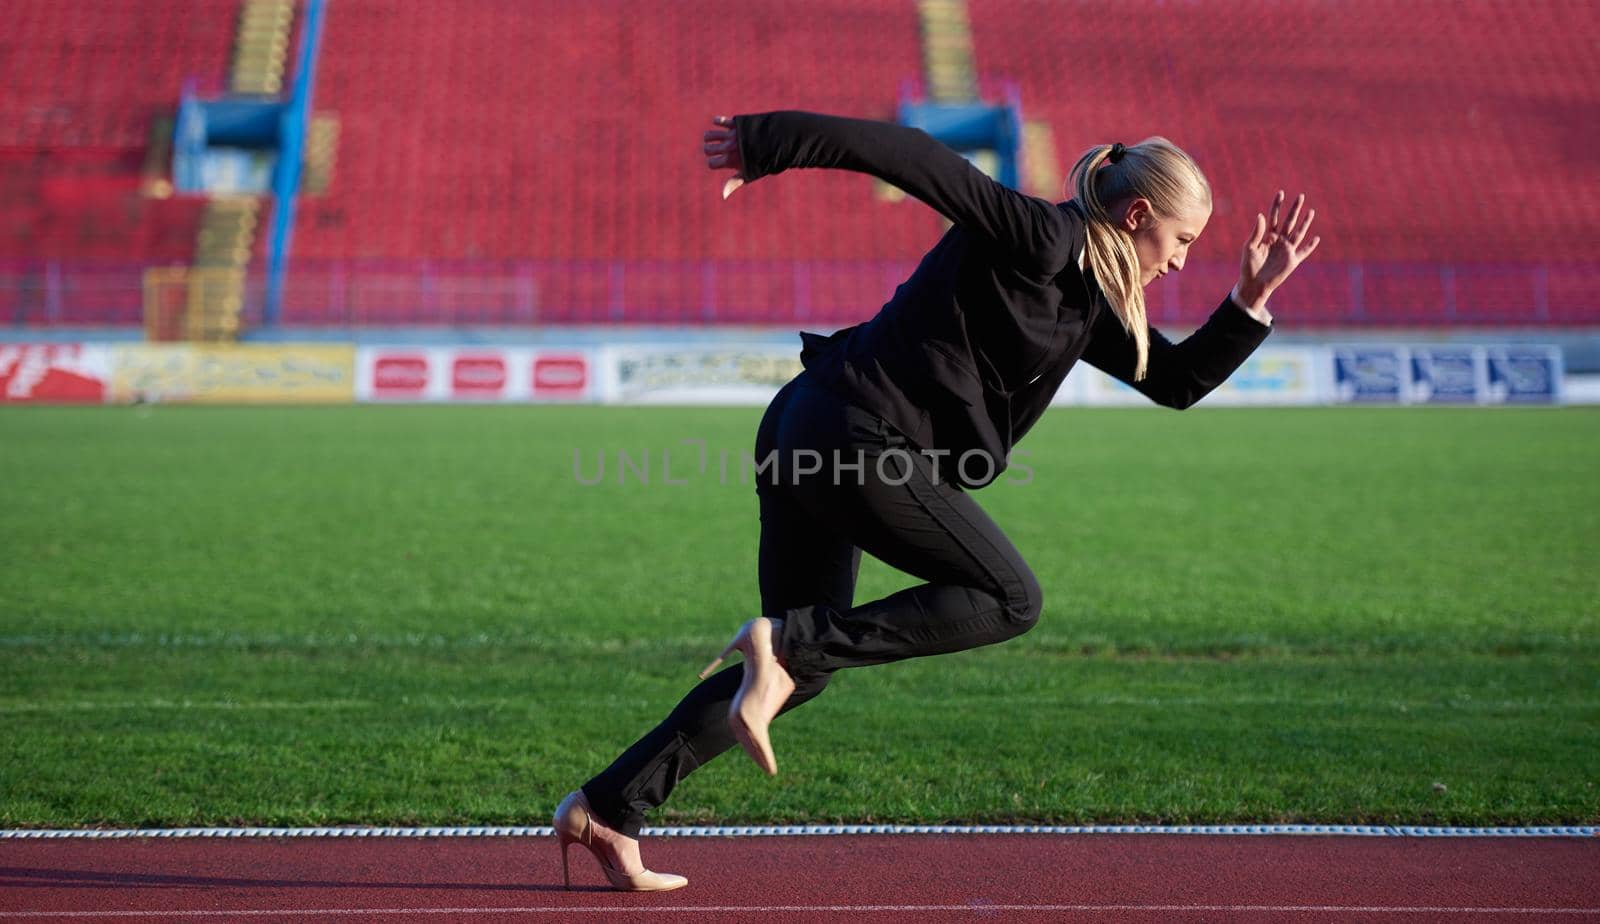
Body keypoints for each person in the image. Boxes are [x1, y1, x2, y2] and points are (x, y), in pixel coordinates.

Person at [553, 110, 1321, 891]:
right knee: (1009, 596)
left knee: (803, 669)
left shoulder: (1088, 300)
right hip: (853, 436)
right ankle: (783, 645)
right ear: (1137, 216)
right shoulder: (1037, 234)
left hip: (808, 422)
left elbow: (1177, 382)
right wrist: (767, 143)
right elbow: (910, 155)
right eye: (1183, 242)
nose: (1182, 264)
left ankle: (611, 807)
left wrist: (1249, 301)